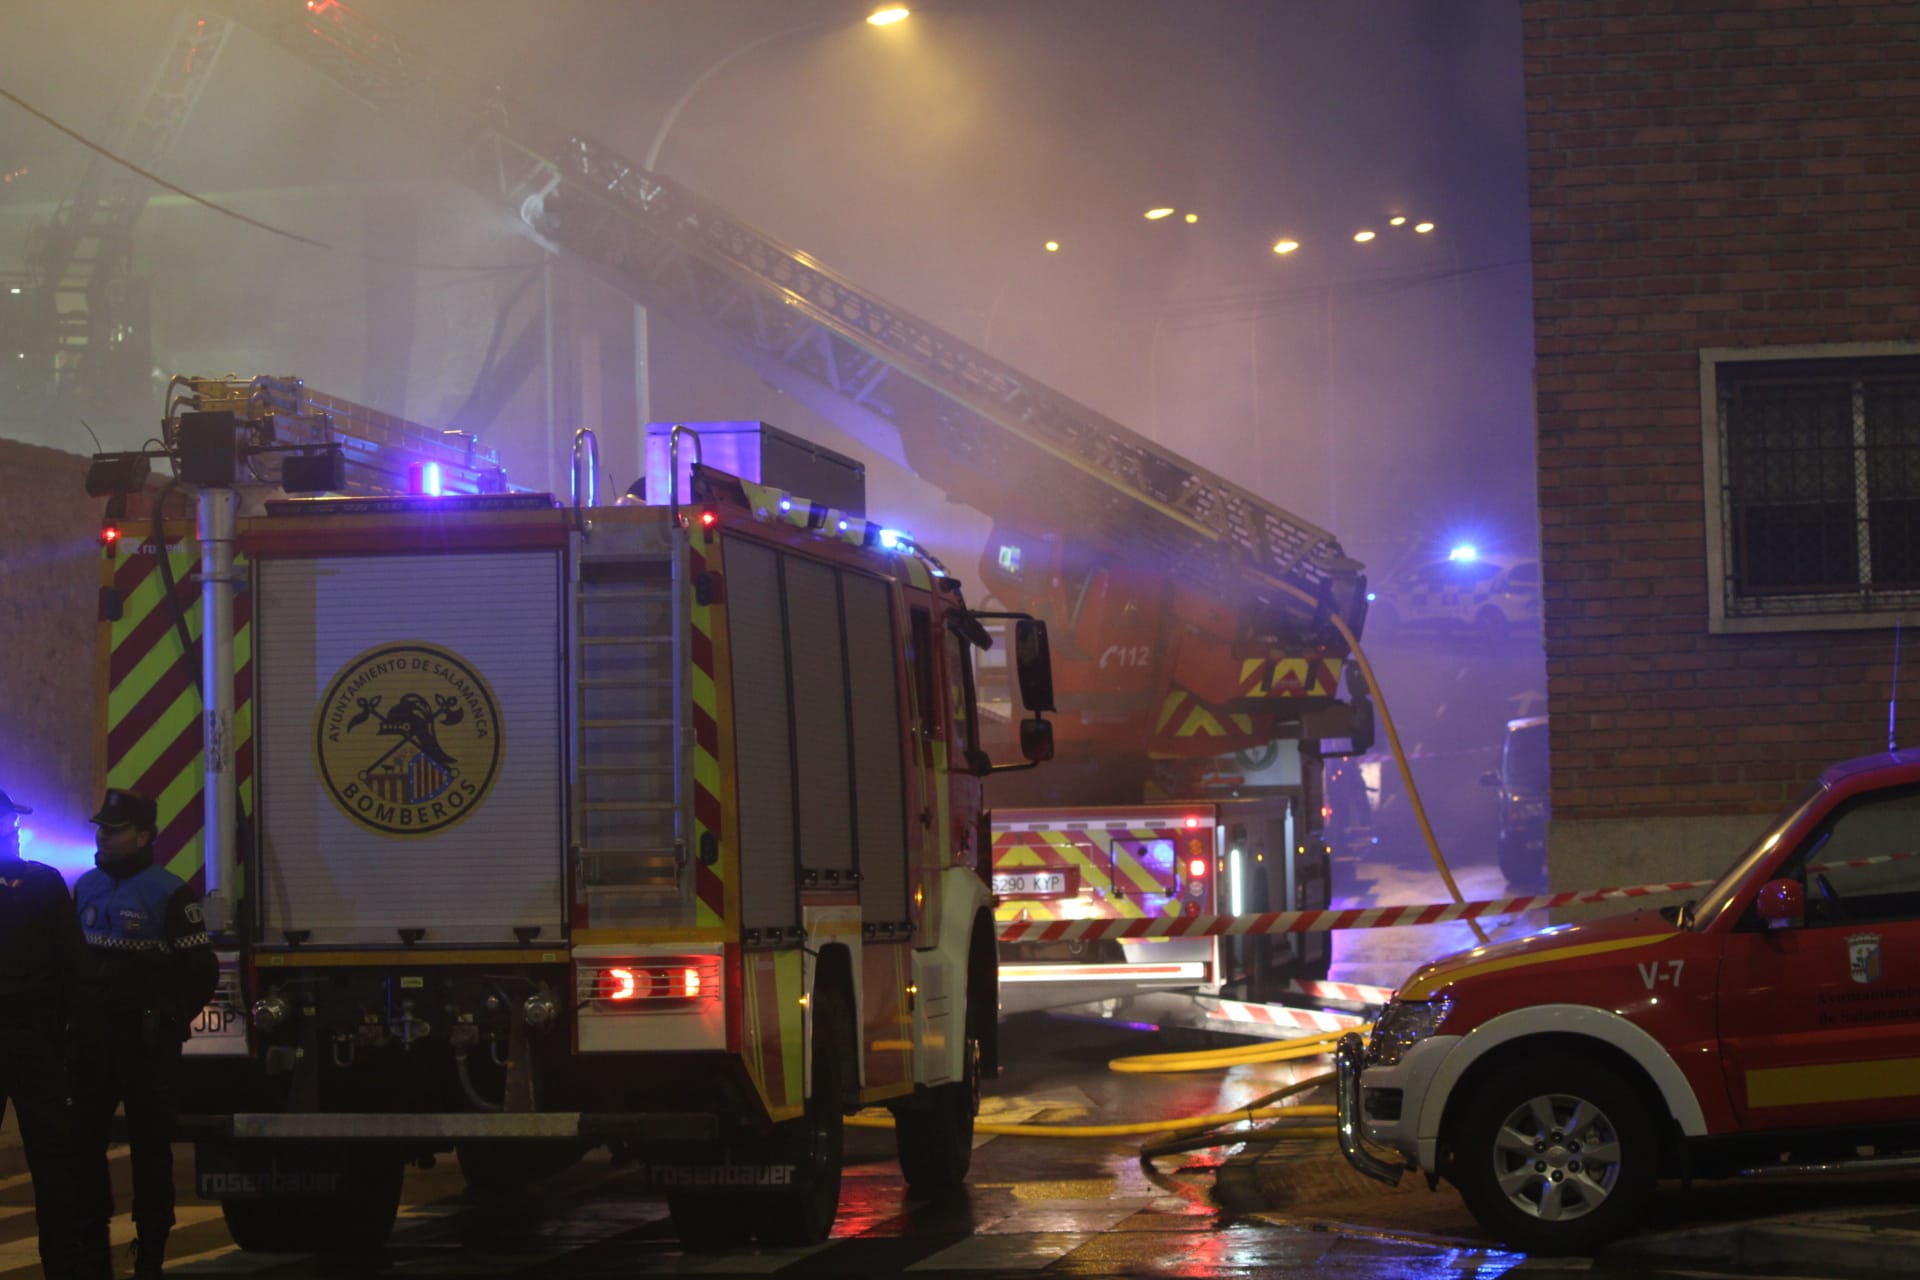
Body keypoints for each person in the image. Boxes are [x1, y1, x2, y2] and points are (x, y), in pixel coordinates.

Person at [71, 789, 219, 1280]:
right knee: (85, 1146)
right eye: (101, 828)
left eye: (113, 830)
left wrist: (171, 1020)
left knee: (151, 1149)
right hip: (93, 1043)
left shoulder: (169, 892)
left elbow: (201, 970)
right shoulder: (86, 887)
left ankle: (151, 1253)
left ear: (142, 835)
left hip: (147, 1044)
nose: (103, 837)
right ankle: (91, 1247)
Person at [0, 788, 107, 1280]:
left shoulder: (42, 882)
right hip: (36, 1038)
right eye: (8, 822)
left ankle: (64, 1265)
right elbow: (74, 965)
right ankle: (63, 1266)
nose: (13, 829)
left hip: (36, 1036)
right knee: (52, 1158)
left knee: (52, 1158)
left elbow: (73, 965)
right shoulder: (43, 883)